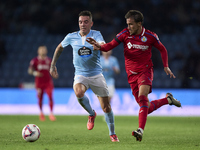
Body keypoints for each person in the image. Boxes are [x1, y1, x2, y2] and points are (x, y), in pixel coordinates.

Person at [86, 10, 181, 142]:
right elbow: (109, 46)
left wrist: (165, 65)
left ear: (139, 23)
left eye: (131, 24)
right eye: (127, 24)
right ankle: (168, 100)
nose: (128, 27)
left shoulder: (150, 36)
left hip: (145, 71)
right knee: (145, 107)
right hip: (131, 75)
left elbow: (162, 49)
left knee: (143, 99)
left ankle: (140, 131)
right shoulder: (124, 34)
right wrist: (99, 47)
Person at [49, 10, 119, 142]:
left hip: (96, 74)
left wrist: (98, 45)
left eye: (86, 22)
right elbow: (59, 48)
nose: (83, 24)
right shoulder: (71, 36)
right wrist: (53, 65)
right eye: (81, 22)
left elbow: (104, 46)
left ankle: (112, 133)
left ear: (91, 23)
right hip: (80, 74)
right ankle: (91, 114)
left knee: (106, 107)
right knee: (78, 92)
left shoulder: (96, 34)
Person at [28, 45, 56, 121]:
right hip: (39, 83)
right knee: (40, 98)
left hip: (48, 82)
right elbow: (30, 71)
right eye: (41, 50)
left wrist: (54, 74)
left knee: (50, 97)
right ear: (38, 51)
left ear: (46, 51)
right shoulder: (35, 61)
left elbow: (53, 70)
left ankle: (51, 113)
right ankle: (41, 113)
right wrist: (35, 73)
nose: (43, 51)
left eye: (44, 50)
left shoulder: (50, 60)